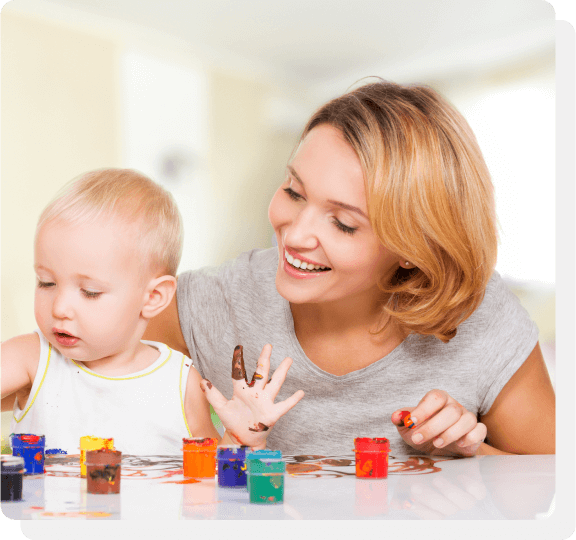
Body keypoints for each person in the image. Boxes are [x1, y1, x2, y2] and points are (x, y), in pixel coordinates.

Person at [146, 80, 555, 457]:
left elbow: (556, 481)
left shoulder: (482, 320)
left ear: (414, 247)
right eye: (294, 191)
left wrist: (466, 453)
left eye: (343, 223)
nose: (295, 235)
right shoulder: (213, 304)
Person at [0, 168, 304, 455]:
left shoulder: (179, 382)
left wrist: (239, 437)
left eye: (90, 292)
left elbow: (209, 473)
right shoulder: (33, 358)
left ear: (154, 297)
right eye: (46, 282)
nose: (59, 307)